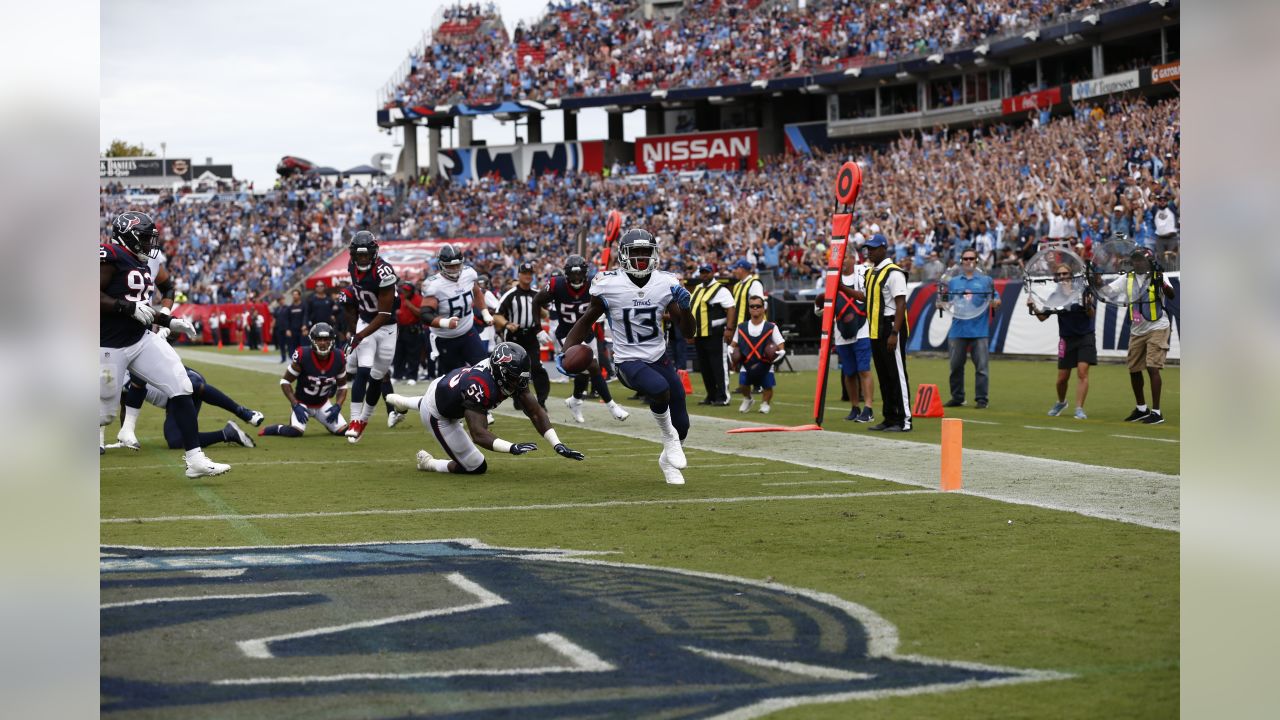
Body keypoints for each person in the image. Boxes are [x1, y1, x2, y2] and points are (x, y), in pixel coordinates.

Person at [558, 228, 694, 485]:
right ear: (623, 255)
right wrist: (566, 352)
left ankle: (666, 461)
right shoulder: (608, 284)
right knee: (659, 389)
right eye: (636, 252)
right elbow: (587, 321)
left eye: (646, 252)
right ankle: (668, 438)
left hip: (659, 357)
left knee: (683, 424)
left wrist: (686, 310)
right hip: (628, 360)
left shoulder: (666, 282)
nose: (642, 257)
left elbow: (688, 333)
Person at [99, 211, 228, 477]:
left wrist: (170, 321)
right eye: (145, 238)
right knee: (104, 414)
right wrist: (125, 307)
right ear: (129, 237)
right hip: (107, 345)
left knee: (181, 384)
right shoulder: (109, 254)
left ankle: (195, 459)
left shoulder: (141, 262)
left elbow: (142, 309)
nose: (149, 244)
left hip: (139, 338)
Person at [386, 342, 585, 475]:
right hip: (439, 413)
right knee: (475, 466)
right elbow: (479, 433)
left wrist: (556, 443)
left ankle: (402, 402)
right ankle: (428, 463)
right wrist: (511, 447)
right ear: (501, 371)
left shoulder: (505, 374)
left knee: (449, 402)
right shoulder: (479, 385)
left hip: (447, 389)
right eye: (516, 377)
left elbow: (534, 410)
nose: (519, 382)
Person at [534, 255, 630, 423]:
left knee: (586, 370)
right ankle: (611, 405)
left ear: (585, 274)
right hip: (567, 334)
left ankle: (575, 400)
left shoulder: (595, 283)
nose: (576, 278)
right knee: (591, 364)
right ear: (566, 274)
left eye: (579, 274)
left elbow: (611, 299)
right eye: (573, 274)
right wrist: (538, 329)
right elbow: (536, 301)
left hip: (587, 332)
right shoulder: (557, 285)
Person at [341, 231, 400, 443]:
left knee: (377, 375)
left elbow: (384, 315)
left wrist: (358, 336)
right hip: (365, 322)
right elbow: (356, 291)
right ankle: (354, 420)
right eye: (359, 255)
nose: (362, 259)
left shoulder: (384, 272)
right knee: (363, 371)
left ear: (374, 253)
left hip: (386, 328)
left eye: (366, 255)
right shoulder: (351, 266)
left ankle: (364, 420)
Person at [113, 367, 260, 451]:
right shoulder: (111, 375)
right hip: (172, 399)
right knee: (176, 441)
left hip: (185, 378)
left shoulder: (130, 355)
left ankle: (243, 412)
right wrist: (125, 436)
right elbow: (125, 406)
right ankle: (228, 433)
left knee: (192, 386)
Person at [1028, 263, 1097, 420]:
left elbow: (1091, 314)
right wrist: (1033, 307)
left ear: (1071, 275)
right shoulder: (1054, 297)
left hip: (1085, 336)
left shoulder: (1083, 291)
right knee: (1062, 379)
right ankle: (1061, 402)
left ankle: (1079, 408)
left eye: (1065, 274)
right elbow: (1042, 317)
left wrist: (1087, 306)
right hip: (1066, 339)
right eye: (1059, 275)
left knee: (1082, 372)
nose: (1062, 277)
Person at [260, 323, 352, 438]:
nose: (322, 343)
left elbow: (342, 387)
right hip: (302, 404)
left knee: (344, 431)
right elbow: (285, 382)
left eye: (326, 339)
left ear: (332, 340)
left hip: (323, 404)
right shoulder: (303, 355)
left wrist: (338, 405)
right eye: (319, 339)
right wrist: (295, 405)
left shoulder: (339, 357)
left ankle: (329, 425)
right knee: (295, 432)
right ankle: (276, 428)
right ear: (312, 340)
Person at [815, 250, 874, 422]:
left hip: (862, 328)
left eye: (846, 258)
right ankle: (854, 407)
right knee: (848, 372)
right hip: (841, 330)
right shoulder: (832, 277)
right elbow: (820, 310)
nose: (843, 262)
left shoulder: (862, 272)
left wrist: (840, 288)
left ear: (853, 258)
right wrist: (820, 303)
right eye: (841, 259)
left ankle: (868, 408)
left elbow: (864, 297)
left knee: (864, 369)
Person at [1119, 248, 1177, 424]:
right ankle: (1141, 409)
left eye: (1141, 260)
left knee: (1152, 367)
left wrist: (1162, 283)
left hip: (1158, 326)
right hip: (1137, 329)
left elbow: (1171, 295)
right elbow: (1107, 289)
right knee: (1134, 369)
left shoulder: (1159, 275)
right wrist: (1096, 280)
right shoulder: (1127, 278)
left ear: (1149, 262)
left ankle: (1157, 412)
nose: (1137, 263)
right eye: (1135, 260)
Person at [863, 234, 912, 432]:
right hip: (875, 328)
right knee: (884, 376)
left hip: (891, 326)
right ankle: (889, 417)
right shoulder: (871, 273)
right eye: (868, 248)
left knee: (897, 375)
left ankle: (904, 420)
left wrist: (894, 333)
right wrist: (840, 288)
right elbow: (864, 297)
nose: (870, 251)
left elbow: (900, 304)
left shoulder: (894, 273)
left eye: (874, 248)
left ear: (884, 249)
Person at [943, 249, 1001, 409]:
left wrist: (996, 302)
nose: (969, 261)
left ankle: (982, 399)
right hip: (957, 329)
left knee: (982, 368)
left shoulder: (986, 280)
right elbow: (946, 299)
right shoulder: (953, 281)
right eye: (965, 258)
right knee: (955, 367)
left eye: (972, 258)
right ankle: (957, 397)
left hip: (979, 330)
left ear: (977, 261)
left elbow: (995, 296)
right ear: (961, 261)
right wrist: (941, 303)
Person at [421, 243, 491, 377]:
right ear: (441, 265)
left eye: (456, 265)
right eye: (449, 266)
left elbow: (477, 293)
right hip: (445, 338)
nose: (454, 269)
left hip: (468, 332)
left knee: (485, 370)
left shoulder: (469, 274)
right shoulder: (434, 285)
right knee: (455, 379)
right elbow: (425, 315)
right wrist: (445, 323)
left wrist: (485, 312)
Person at [494, 262, 552, 410]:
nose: (527, 276)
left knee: (537, 367)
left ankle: (542, 401)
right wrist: (507, 324)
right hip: (515, 336)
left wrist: (541, 309)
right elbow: (497, 315)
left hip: (532, 335)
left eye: (529, 273)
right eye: (524, 273)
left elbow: (546, 314)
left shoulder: (536, 294)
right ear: (519, 275)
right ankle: (518, 399)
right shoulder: (510, 295)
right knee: (514, 370)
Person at [689, 264, 736, 406]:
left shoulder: (721, 290)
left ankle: (723, 396)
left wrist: (729, 328)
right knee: (705, 367)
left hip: (715, 333)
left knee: (718, 366)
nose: (704, 275)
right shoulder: (697, 289)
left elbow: (731, 309)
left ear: (713, 273)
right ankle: (711, 395)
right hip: (700, 334)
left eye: (707, 273)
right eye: (702, 272)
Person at [729, 297, 785, 413]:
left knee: (767, 385)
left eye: (758, 306)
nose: (755, 308)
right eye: (752, 306)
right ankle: (748, 399)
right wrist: (730, 349)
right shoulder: (741, 327)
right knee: (743, 384)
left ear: (764, 308)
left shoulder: (771, 327)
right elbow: (733, 343)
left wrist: (781, 352)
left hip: (765, 362)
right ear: (749, 309)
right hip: (747, 361)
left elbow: (780, 344)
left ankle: (765, 404)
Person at [392, 281, 424, 385]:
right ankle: (397, 375)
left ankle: (412, 376)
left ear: (412, 291)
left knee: (413, 355)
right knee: (399, 354)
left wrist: (409, 305)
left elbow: (420, 314)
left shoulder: (418, 299)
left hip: (413, 330)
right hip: (400, 329)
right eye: (404, 290)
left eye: (407, 290)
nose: (404, 292)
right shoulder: (399, 297)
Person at [729, 258, 766, 326]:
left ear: (742, 270)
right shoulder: (737, 285)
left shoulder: (754, 284)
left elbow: (758, 307)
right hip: (740, 326)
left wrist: (756, 327)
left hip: (752, 326)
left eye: (736, 269)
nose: (734, 271)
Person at [284, 289, 305, 355]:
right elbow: (287, 319)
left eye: (296, 294)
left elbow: (306, 316)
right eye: (293, 295)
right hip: (293, 331)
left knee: (302, 348)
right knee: (293, 348)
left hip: (302, 330)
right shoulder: (290, 308)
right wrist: (287, 329)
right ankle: (294, 361)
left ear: (299, 296)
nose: (294, 296)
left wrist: (305, 326)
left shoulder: (304, 306)